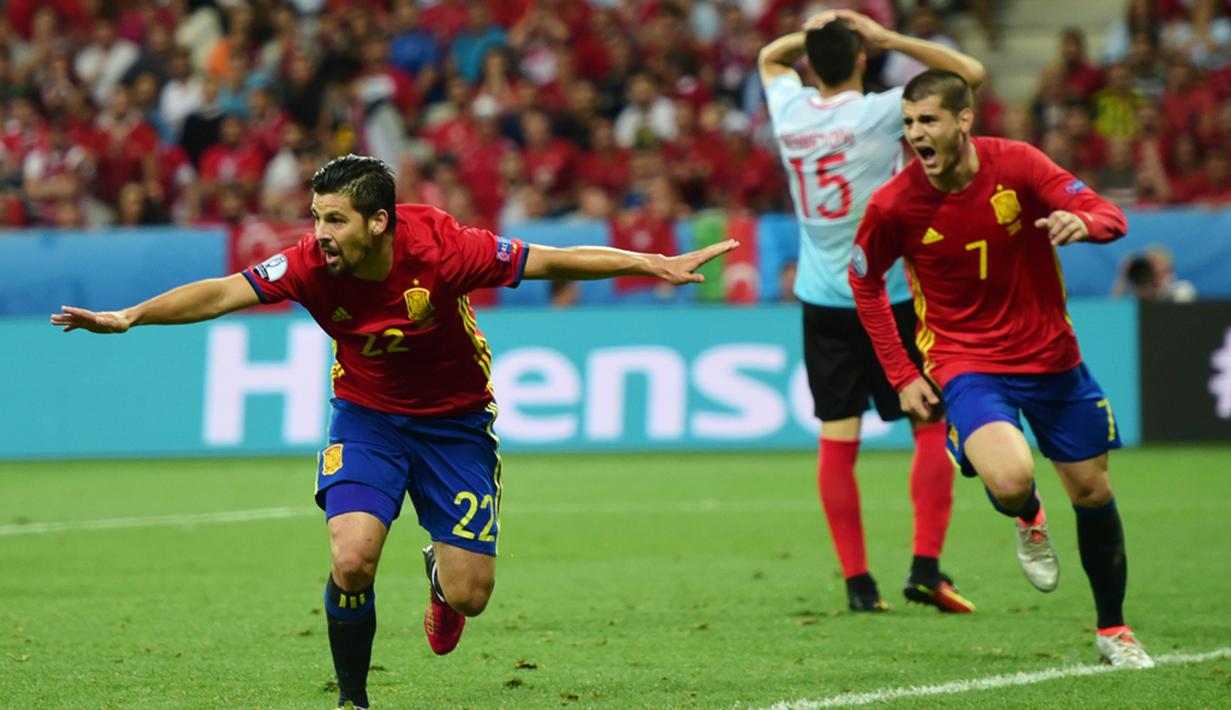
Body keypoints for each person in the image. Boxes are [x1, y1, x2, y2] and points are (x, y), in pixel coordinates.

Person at [50, 154, 738, 710]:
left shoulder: (445, 248)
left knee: (472, 593)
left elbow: (550, 259)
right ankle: (353, 698)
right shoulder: (309, 266)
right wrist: (130, 316)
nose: (319, 232)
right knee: (351, 558)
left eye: (335, 219)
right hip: (367, 416)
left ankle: (440, 577)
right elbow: (223, 291)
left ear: (378, 221)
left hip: (455, 424)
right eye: (316, 216)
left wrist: (649, 264)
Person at [849, 69, 1153, 669]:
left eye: (928, 120)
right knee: (1012, 479)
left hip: (1052, 357)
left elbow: (1107, 213)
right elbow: (863, 282)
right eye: (908, 123)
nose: (916, 134)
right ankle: (1028, 514)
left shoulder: (1018, 165)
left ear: (964, 120)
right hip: (966, 362)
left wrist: (1083, 224)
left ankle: (1113, 629)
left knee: (1093, 492)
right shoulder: (894, 205)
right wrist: (903, 373)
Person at [758, 9, 985, 614]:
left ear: (811, 64)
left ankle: (859, 584)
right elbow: (967, 73)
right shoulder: (881, 111)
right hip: (889, 294)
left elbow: (769, 60)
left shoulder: (791, 112)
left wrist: (814, 31)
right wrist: (883, 35)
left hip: (819, 297)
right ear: (862, 58)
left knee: (838, 436)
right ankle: (927, 566)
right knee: (929, 424)